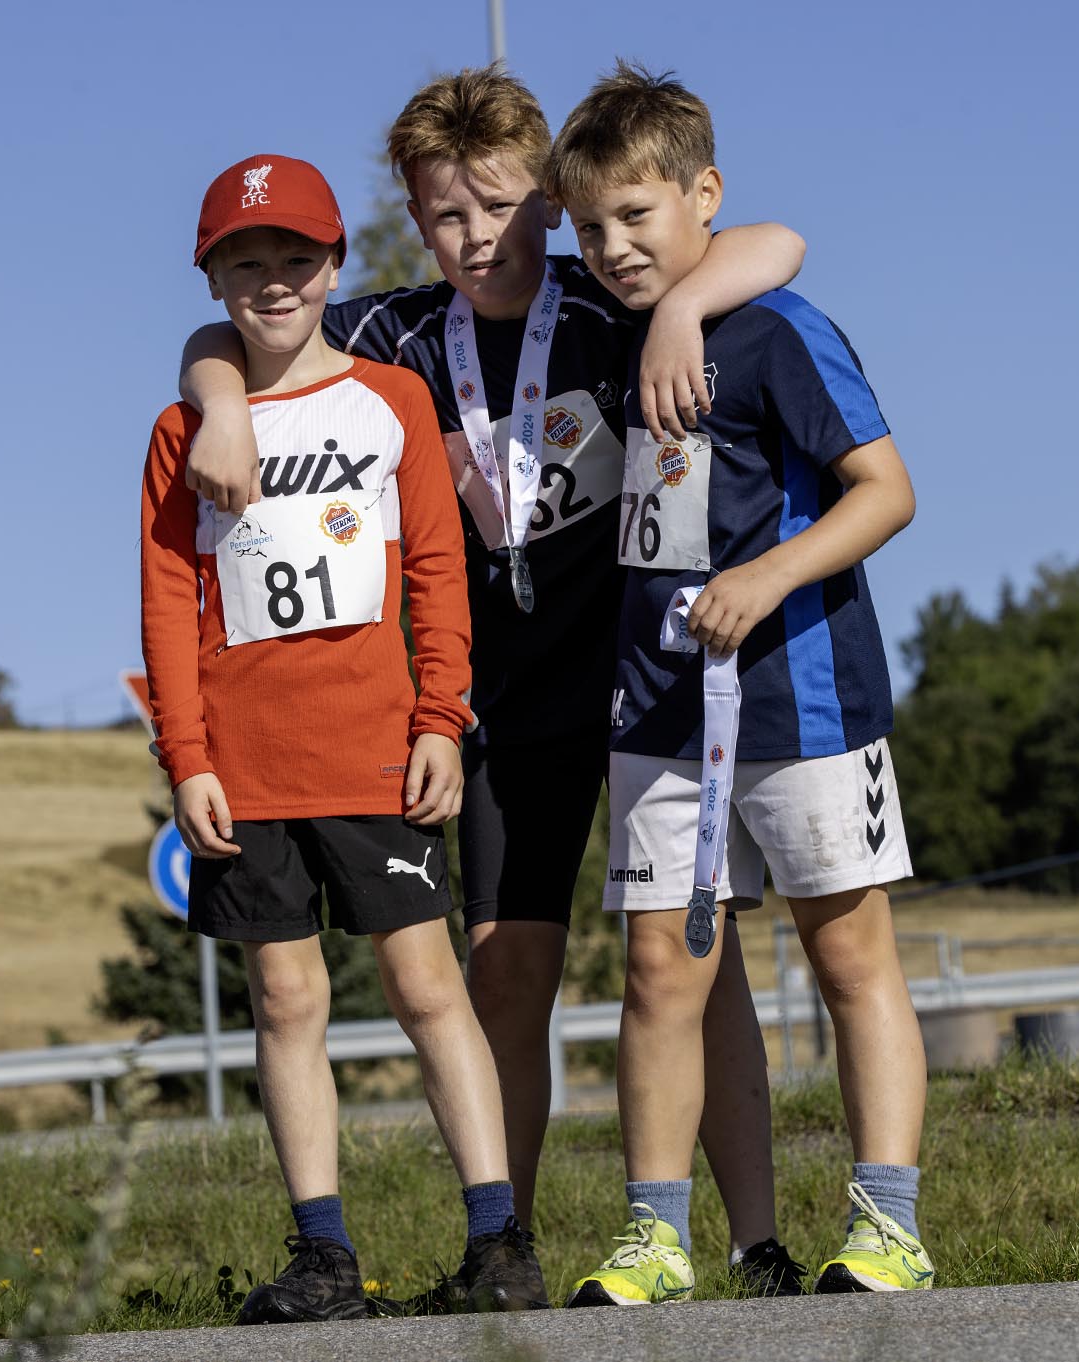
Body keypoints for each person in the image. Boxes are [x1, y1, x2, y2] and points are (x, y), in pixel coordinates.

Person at [178, 66, 812, 1297]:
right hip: (486, 708)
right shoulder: (394, 333)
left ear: (551, 200)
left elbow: (776, 243)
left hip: (638, 686)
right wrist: (215, 402)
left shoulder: (613, 301)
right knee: (503, 969)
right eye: (442, 216)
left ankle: (754, 1241)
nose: (476, 240)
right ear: (412, 224)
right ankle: (500, 1242)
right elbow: (231, 331)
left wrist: (681, 317)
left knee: (698, 963)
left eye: (501, 207)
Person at [547, 63, 932, 1305]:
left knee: (847, 958)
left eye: (637, 218)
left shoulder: (779, 331)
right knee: (661, 971)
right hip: (655, 712)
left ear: (701, 198)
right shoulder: (598, 333)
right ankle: (655, 1236)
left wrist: (765, 580)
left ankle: (887, 1224)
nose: (611, 248)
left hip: (804, 704)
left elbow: (888, 492)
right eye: (591, 225)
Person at [140, 152, 547, 1323]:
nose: (272, 283)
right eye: (244, 262)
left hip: (375, 748)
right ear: (212, 279)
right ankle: (323, 1256)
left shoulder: (391, 402)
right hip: (245, 765)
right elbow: (170, 601)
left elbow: (435, 569)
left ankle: (496, 1238)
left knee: (428, 987)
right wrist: (189, 757)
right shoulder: (182, 432)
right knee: (284, 999)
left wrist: (439, 717)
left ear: (335, 267)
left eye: (295, 260)